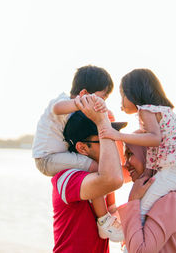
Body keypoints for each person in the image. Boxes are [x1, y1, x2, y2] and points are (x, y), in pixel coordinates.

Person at [100, 68, 176, 224]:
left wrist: (118, 135)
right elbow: (149, 134)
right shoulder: (160, 110)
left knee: (144, 204)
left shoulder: (146, 111)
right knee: (149, 198)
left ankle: (130, 238)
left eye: (123, 95)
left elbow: (155, 138)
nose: (121, 101)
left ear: (135, 93)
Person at [32, 65, 124, 241]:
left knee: (100, 168)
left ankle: (108, 211)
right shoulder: (63, 102)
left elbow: (118, 174)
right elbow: (57, 108)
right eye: (102, 97)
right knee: (97, 168)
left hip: (56, 157)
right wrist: (80, 104)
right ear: (83, 94)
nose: (104, 102)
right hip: (47, 159)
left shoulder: (75, 114)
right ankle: (104, 220)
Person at [51, 96, 124, 252]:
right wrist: (102, 122)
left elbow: (123, 173)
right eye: (105, 139)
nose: (111, 144)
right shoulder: (66, 178)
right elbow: (113, 179)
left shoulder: (101, 173)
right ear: (82, 148)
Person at [118, 143, 176, 253]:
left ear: (150, 157)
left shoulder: (171, 200)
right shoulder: (152, 195)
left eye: (130, 154)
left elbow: (140, 250)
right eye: (125, 157)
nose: (126, 164)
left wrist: (133, 201)